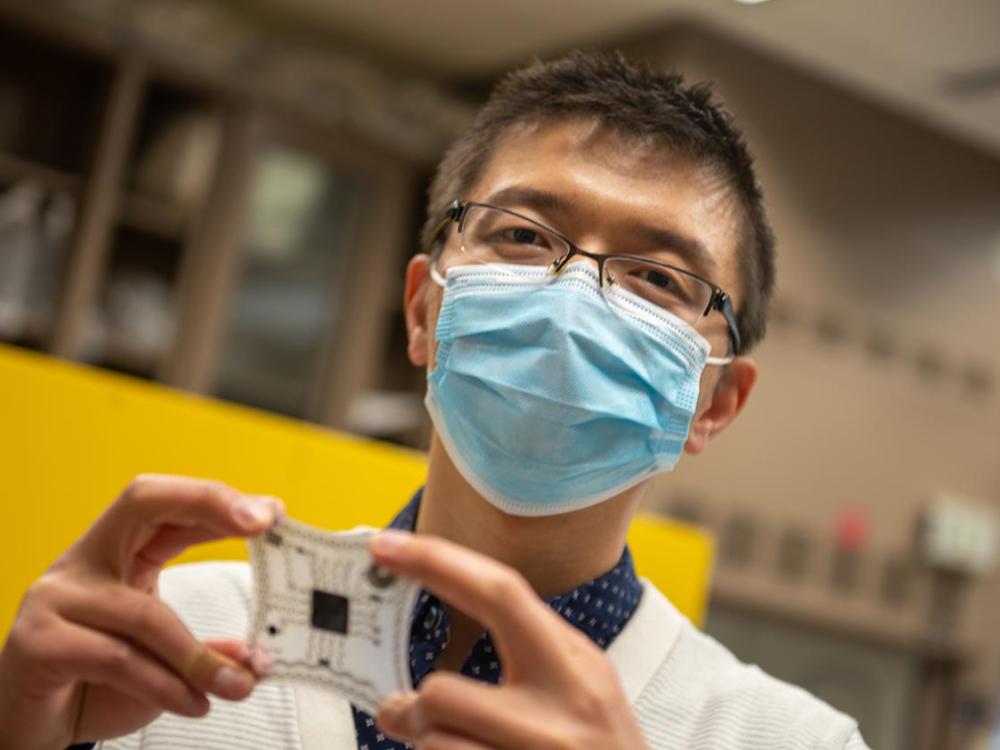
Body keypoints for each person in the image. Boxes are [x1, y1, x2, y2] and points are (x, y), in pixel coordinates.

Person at [0, 52, 870, 750]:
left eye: (656, 277)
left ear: (714, 404)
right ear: (425, 308)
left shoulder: (790, 738)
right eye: (525, 236)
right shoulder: (176, 638)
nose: (575, 304)